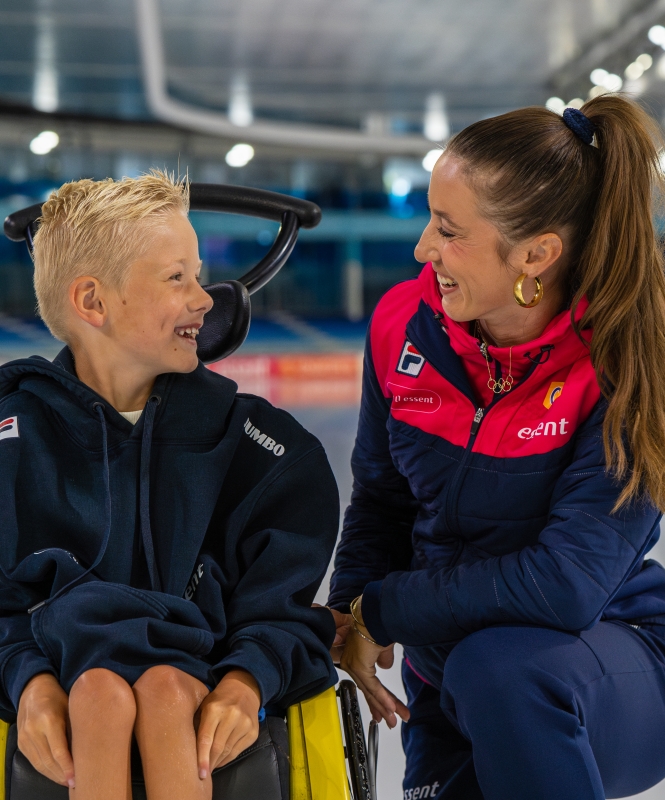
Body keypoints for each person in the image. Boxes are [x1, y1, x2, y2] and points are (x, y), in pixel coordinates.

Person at [327, 94, 665, 800]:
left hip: (602, 662)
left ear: (536, 254)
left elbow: (565, 584)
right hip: (448, 678)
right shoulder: (402, 324)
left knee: (498, 670)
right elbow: (383, 497)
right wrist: (346, 611)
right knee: (477, 673)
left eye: (449, 231)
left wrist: (382, 609)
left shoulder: (627, 360)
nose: (423, 248)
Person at [0, 172, 339, 800]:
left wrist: (246, 680)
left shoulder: (268, 452)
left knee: (161, 690)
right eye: (176, 277)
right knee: (101, 694)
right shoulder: (11, 443)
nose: (206, 298)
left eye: (199, 274)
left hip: (198, 691)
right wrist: (31, 681)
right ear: (93, 302)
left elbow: (283, 609)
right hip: (66, 685)